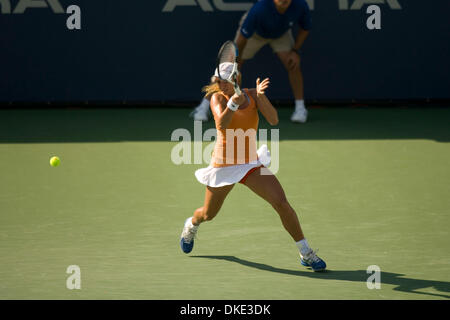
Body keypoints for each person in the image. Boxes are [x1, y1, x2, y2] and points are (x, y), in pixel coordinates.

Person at [180, 62, 326, 272]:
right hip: (223, 165)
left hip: (250, 163)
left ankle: (305, 252)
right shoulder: (217, 98)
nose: (220, 84)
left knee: (281, 203)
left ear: (236, 79)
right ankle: (191, 225)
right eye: (218, 80)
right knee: (208, 214)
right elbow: (221, 125)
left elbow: (274, 120)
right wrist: (232, 104)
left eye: (224, 81)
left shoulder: (253, 95)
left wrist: (261, 96)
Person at [190, 0, 312, 123]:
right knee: (226, 69)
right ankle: (203, 107)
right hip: (254, 35)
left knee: (293, 64)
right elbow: (242, 39)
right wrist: (235, 64)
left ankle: (300, 108)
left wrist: (295, 51)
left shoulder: (300, 5)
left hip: (281, 34)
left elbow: (305, 28)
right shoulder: (259, 10)